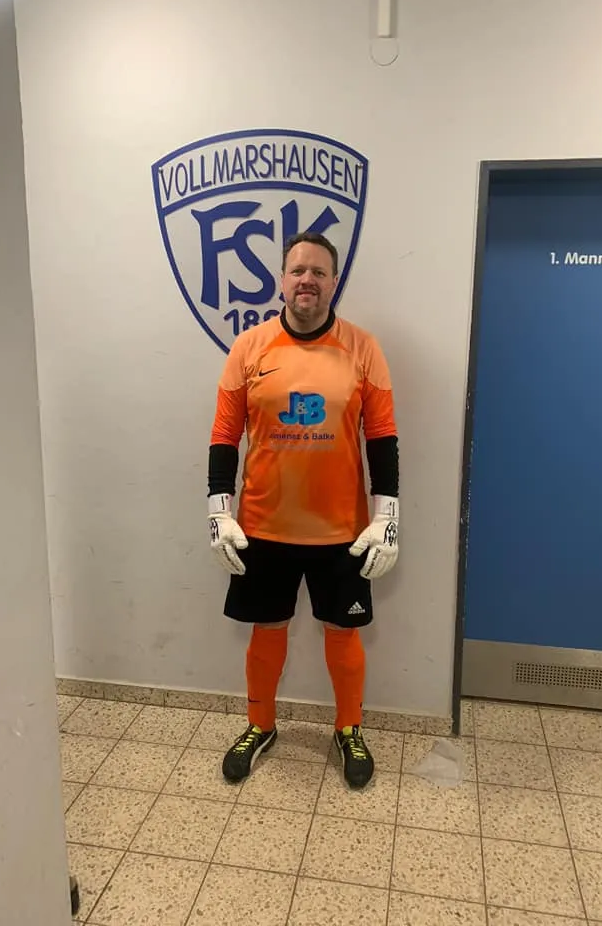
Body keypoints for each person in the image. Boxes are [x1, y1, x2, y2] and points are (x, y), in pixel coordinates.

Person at [207, 230, 399, 789]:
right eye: (297, 270)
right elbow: (224, 434)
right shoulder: (249, 348)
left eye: (318, 271)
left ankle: (349, 729)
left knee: (343, 631)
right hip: (263, 525)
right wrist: (218, 509)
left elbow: (382, 437)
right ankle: (260, 725)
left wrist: (387, 517)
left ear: (334, 281)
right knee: (267, 629)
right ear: (281, 280)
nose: (307, 280)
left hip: (343, 530)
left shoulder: (363, 348)